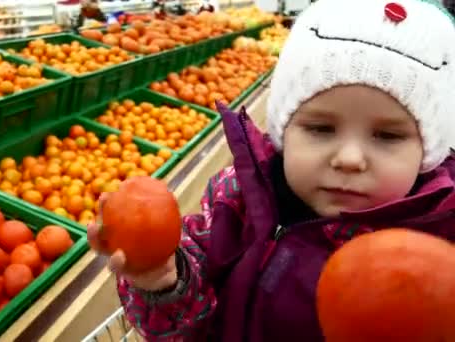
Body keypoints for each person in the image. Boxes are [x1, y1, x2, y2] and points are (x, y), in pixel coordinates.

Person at [88, 0, 455, 340]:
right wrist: (165, 281)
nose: (349, 158)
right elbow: (189, 319)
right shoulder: (236, 201)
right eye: (321, 128)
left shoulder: (438, 243)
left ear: (429, 151)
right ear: (283, 132)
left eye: (387, 135)